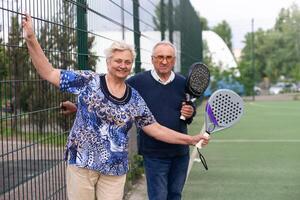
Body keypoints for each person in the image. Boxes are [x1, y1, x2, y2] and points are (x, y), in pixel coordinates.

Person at [22, 14, 209, 200]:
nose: (123, 65)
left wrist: (190, 139)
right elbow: (48, 72)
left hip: (114, 169)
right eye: (118, 61)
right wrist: (31, 39)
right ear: (108, 62)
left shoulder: (134, 98)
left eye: (127, 62)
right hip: (81, 163)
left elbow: (156, 129)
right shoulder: (89, 81)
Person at [61, 41, 207, 200]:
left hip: (180, 152)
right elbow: (108, 99)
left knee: (175, 195)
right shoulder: (137, 82)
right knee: (158, 196)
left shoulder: (182, 83)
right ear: (152, 59)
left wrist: (190, 112)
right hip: (154, 152)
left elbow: (188, 112)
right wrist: (77, 106)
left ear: (174, 60)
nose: (164, 61)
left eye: (168, 57)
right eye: (160, 57)